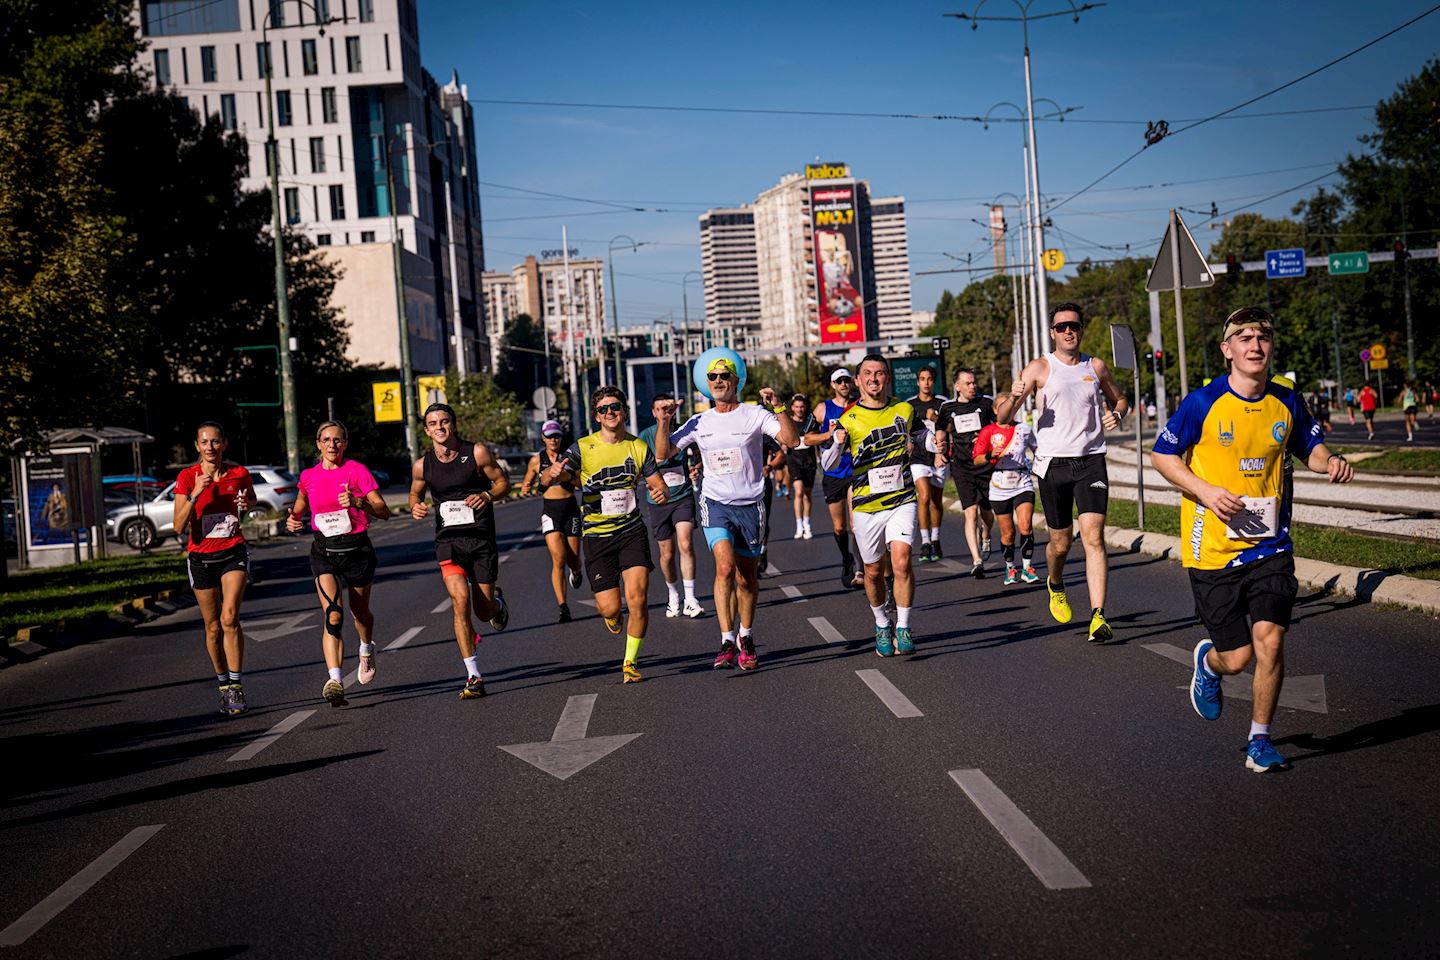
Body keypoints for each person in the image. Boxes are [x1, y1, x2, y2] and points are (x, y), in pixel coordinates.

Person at [1152, 306, 1354, 772]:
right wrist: (1204, 490)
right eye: (1243, 338)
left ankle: (1260, 740)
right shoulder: (1202, 403)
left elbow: (1310, 447)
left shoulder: (1286, 399)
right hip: (1213, 549)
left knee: (1271, 642)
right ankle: (1210, 666)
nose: (1255, 345)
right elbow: (1163, 456)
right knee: (1238, 658)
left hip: (1270, 545)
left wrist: (1332, 462)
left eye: (1262, 337)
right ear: (1227, 350)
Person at [995, 302, 1128, 644]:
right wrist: (1012, 398)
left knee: (1094, 537)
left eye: (1074, 325)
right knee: (1060, 543)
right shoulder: (1039, 368)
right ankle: (1055, 582)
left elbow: (1120, 400)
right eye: (1062, 326)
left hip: (1091, 460)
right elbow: (1005, 418)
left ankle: (1098, 616)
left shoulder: (1095, 366)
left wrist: (1118, 414)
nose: (1069, 331)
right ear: (1053, 333)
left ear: (1081, 330)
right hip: (1053, 464)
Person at [655, 366, 797, 671]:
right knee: (724, 567)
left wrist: (778, 406)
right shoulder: (699, 421)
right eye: (713, 377)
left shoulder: (754, 413)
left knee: (747, 579)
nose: (718, 381)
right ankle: (727, 640)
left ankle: (746, 635)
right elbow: (663, 453)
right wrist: (664, 422)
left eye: (724, 376)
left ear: (736, 381)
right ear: (706, 385)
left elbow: (791, 439)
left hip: (751, 504)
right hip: (715, 502)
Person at [546, 386, 668, 683]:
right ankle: (612, 615)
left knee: (637, 598)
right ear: (596, 416)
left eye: (615, 407)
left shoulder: (638, 447)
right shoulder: (583, 447)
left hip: (631, 531)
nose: (610, 413)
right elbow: (560, 473)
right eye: (603, 409)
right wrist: (553, 474)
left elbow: (658, 483)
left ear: (624, 410)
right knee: (610, 607)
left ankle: (630, 662)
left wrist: (660, 491)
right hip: (597, 535)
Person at [409, 403, 511, 700]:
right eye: (433, 423)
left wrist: (487, 494)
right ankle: (474, 675)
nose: (439, 427)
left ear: (453, 424)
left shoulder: (476, 452)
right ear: (426, 430)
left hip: (480, 540)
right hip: (448, 542)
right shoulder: (422, 465)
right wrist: (416, 505)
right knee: (460, 600)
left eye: (444, 421)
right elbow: (415, 492)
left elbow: (503, 482)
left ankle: (497, 605)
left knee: (483, 610)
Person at [286, 421, 391, 707]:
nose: (332, 445)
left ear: (345, 443)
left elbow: (384, 511)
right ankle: (335, 679)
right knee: (333, 614)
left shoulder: (357, 471)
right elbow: (299, 507)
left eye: (338, 440)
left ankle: (366, 649)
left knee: (360, 613)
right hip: (324, 552)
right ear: (318, 444)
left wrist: (360, 503)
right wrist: (293, 520)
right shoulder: (308, 476)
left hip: (357, 551)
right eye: (327, 440)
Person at [821, 354, 919, 656]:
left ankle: (903, 626)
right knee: (873, 571)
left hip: (902, 498)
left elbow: (919, 437)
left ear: (887, 378)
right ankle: (881, 623)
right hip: (866, 505)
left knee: (901, 560)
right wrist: (837, 442)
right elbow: (827, 463)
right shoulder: (848, 419)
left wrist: (933, 444)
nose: (874, 378)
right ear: (858, 381)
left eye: (880, 373)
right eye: (868, 374)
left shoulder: (904, 409)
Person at [174, 421, 256, 716]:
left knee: (230, 617)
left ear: (224, 444)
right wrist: (195, 493)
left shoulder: (239, 474)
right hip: (201, 559)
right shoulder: (187, 478)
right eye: (205, 442)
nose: (210, 447)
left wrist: (246, 503)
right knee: (212, 628)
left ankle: (236, 686)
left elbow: (251, 499)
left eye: (215, 442)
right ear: (197, 446)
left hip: (232, 551)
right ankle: (223, 685)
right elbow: (178, 525)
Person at [637, 395, 705, 619]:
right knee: (666, 554)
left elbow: (699, 453)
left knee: (686, 543)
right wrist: (650, 482)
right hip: (657, 501)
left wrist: (696, 467)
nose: (664, 412)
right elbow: (641, 468)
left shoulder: (684, 432)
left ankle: (691, 598)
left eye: (668, 408)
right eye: (660, 409)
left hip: (683, 496)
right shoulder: (645, 436)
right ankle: (673, 593)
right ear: (654, 412)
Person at [804, 369, 863, 590]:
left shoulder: (860, 405)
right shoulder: (823, 408)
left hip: (856, 471)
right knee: (840, 527)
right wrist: (830, 435)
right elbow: (808, 438)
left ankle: (859, 568)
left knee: (856, 524)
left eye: (847, 380)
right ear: (833, 385)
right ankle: (846, 559)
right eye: (839, 381)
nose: (844, 384)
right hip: (833, 473)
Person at [520, 420, 584, 623]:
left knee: (573, 558)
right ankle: (563, 607)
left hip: (570, 509)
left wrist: (565, 476)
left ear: (561, 437)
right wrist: (526, 487)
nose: (553, 440)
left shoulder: (570, 457)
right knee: (558, 559)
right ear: (543, 438)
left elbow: (582, 482)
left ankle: (576, 571)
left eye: (556, 436)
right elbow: (528, 480)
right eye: (549, 436)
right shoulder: (536, 460)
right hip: (550, 511)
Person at [936, 368, 996, 577]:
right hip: (961, 466)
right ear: (957, 386)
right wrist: (940, 449)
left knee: (987, 514)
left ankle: (986, 535)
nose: (972, 386)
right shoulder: (947, 407)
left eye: (974, 382)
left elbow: (998, 425)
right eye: (968, 383)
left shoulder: (986, 403)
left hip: (985, 465)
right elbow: (940, 428)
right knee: (970, 513)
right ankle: (977, 560)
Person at [972, 416, 1039, 585]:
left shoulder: (1023, 428)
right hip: (1000, 485)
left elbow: (1037, 449)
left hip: (1022, 480)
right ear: (996, 410)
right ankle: (1010, 567)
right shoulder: (989, 431)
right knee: (1008, 533)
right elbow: (977, 459)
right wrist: (990, 455)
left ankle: (1027, 567)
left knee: (1026, 525)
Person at [904, 365, 949, 563]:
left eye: (929, 379)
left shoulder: (942, 403)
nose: (926, 383)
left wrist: (936, 418)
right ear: (917, 382)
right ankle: (924, 541)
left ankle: (936, 539)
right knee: (923, 497)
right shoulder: (909, 405)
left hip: (939, 456)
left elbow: (952, 426)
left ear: (933, 381)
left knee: (936, 501)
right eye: (922, 379)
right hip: (918, 458)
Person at [784, 394, 818, 540]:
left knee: (807, 495)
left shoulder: (811, 422)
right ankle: (799, 525)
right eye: (796, 407)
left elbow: (817, 438)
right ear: (792, 408)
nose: (799, 409)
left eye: (802, 406)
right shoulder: (789, 423)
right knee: (798, 492)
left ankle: (807, 523)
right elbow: (783, 439)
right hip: (794, 460)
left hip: (809, 461)